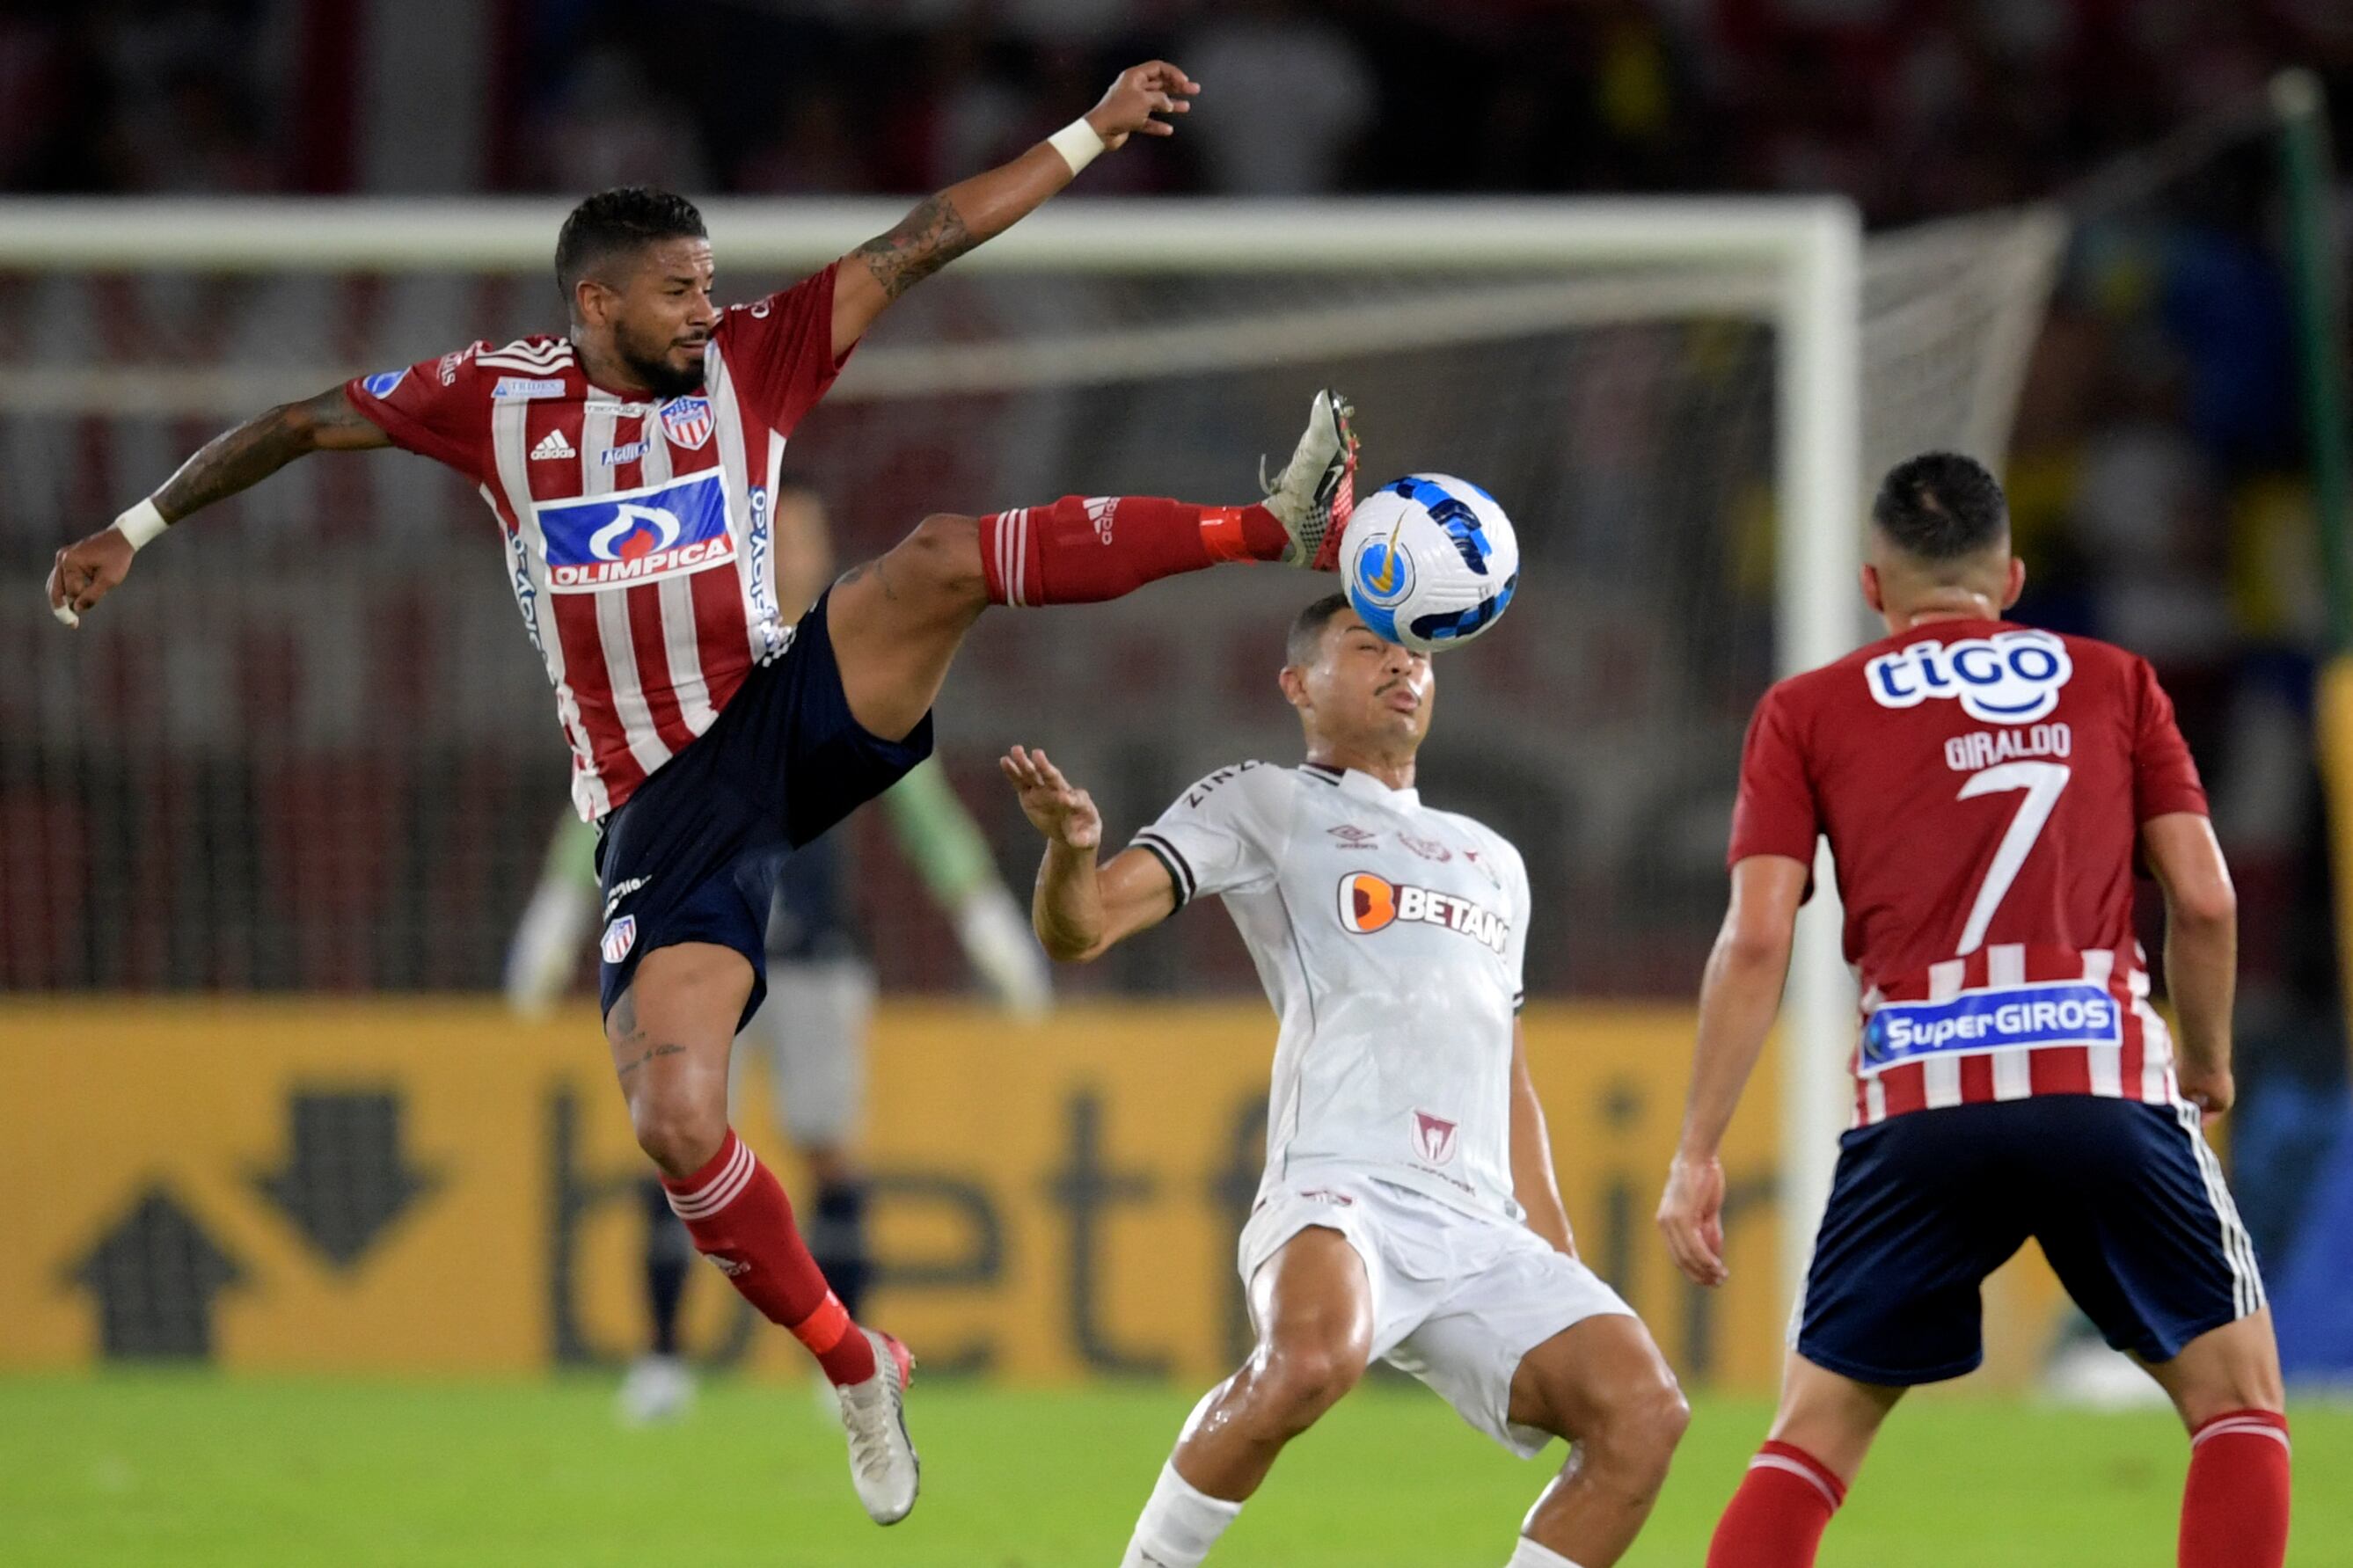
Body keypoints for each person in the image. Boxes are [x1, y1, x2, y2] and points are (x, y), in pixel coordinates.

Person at [46, 60, 1363, 1527]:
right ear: (596, 305)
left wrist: (1086, 131)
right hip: (659, 808)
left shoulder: (758, 357)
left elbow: (924, 238)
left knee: (934, 558)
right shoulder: (487, 402)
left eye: (708, 280)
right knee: (676, 1121)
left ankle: (1271, 523)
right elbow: (299, 421)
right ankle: (854, 1358)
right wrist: (138, 521)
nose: (703, 306)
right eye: (677, 288)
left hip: (781, 704)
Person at [1655, 453, 2289, 1568]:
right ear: (2010, 579)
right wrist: (2209, 1061)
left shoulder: (1804, 709)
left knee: (1808, 1443)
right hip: (2098, 1079)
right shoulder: (2112, 681)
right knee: (2236, 1403)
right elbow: (2203, 896)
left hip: (1917, 1099)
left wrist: (1697, 1148)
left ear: (1870, 585)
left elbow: (1756, 935)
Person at [1001, 594, 1689, 1568]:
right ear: (1296, 685)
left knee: (1644, 1411)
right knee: (1311, 1361)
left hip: (1477, 1219)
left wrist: (1558, 1257)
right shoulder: (1264, 802)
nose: (1402, 669)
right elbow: (1081, 929)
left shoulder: (1493, 861)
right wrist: (1068, 852)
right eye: (1368, 648)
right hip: (1340, 1183)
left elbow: (1508, 1068)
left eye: (1416, 657)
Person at [500, 477, 1050, 1426]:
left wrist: (983, 916)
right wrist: (557, 905)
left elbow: (917, 805)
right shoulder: (694, 661)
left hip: (815, 950)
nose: (796, 554)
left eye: (809, 538)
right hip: (693, 942)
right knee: (679, 1137)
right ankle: (665, 1357)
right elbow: (613, 780)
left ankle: (840, 1359)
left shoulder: (839, 664)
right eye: (782, 536)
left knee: (832, 1150)